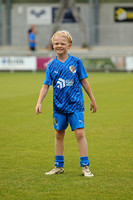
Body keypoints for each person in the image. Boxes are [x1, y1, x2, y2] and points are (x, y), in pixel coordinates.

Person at [35, 30, 97, 177]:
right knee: (58, 134)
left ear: (69, 45)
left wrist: (92, 99)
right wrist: (39, 102)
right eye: (56, 43)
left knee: (80, 133)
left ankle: (85, 166)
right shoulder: (51, 66)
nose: (59, 46)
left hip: (75, 105)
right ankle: (58, 166)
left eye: (62, 43)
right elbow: (45, 86)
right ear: (52, 45)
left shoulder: (76, 62)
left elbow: (84, 81)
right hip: (59, 106)